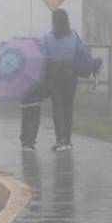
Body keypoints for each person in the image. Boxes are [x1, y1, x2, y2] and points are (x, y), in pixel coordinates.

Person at [20, 9, 88, 152]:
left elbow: (39, 53)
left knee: (58, 106)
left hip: (54, 75)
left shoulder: (48, 38)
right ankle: (67, 140)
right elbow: (80, 51)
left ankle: (60, 140)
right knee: (68, 107)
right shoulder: (74, 36)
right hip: (70, 74)